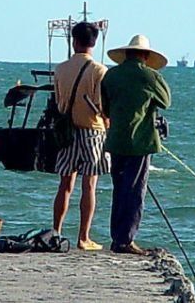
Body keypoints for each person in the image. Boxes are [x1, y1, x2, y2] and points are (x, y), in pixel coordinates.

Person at [101, 34, 171, 255]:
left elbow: (105, 109)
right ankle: (126, 240)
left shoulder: (111, 76)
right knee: (135, 191)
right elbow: (166, 101)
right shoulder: (150, 76)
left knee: (119, 190)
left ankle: (117, 237)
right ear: (145, 55)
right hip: (140, 142)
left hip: (116, 140)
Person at [52, 22, 111, 251]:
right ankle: (83, 238)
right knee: (89, 185)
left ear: (73, 41)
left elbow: (58, 102)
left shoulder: (60, 69)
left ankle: (56, 232)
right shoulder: (99, 70)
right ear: (94, 43)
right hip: (92, 131)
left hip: (67, 131)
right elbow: (102, 105)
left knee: (65, 184)